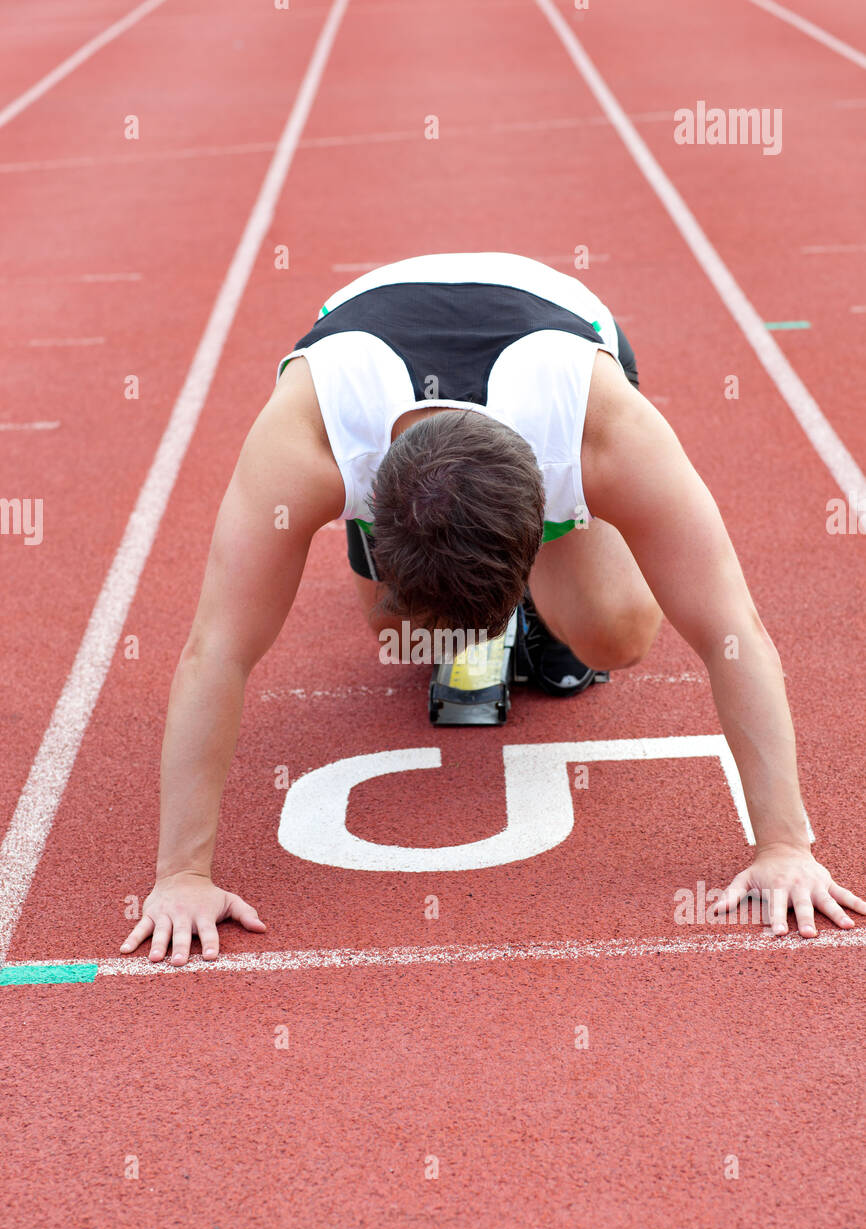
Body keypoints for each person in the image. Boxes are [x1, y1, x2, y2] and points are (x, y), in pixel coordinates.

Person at [121, 252, 865, 965]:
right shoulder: (308, 443)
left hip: (558, 332)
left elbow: (735, 632)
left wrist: (784, 847)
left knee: (616, 635)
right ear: (373, 522)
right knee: (401, 640)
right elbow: (215, 649)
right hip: (372, 353)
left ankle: (537, 608)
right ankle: (461, 614)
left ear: (544, 520)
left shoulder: (604, 434)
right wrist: (181, 874)